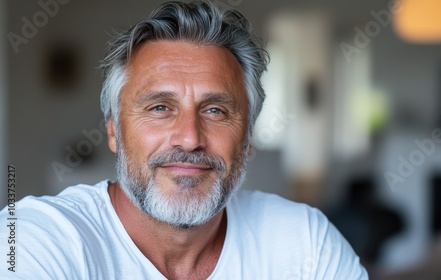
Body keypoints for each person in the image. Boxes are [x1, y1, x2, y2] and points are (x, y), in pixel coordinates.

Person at [0, 1, 368, 279]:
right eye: (160, 108)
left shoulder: (305, 244)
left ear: (248, 138)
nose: (190, 138)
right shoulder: (33, 241)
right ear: (113, 130)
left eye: (215, 111)